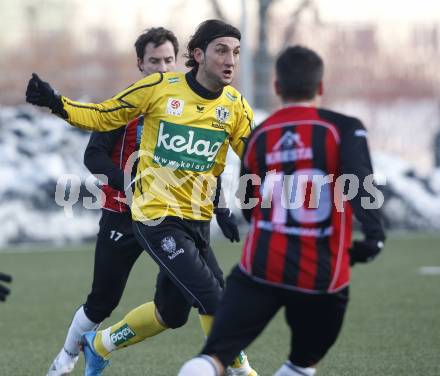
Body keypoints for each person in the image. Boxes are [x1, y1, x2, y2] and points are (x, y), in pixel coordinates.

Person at [26, 19, 257, 376]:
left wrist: (239, 200)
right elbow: (102, 118)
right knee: (214, 299)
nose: (231, 60)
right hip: (154, 216)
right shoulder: (158, 90)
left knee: (172, 313)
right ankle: (242, 372)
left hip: (195, 220)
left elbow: (255, 157)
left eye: (237, 52)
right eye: (222, 50)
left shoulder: (235, 106)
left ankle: (99, 344)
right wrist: (58, 104)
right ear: (198, 55)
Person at [178, 45, 386, 376]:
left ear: (277, 88)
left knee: (214, 357)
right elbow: (359, 184)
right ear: (320, 87)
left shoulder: (261, 134)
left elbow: (248, 203)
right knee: (303, 363)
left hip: (261, 266)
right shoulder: (343, 127)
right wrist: (374, 237)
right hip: (320, 275)